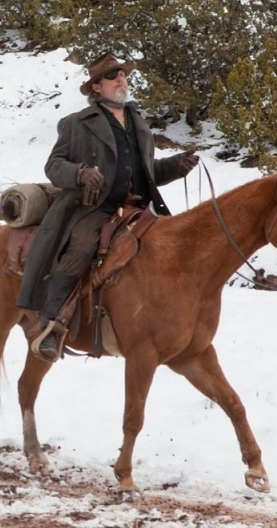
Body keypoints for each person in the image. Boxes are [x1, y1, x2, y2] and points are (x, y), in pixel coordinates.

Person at [19, 53, 200, 361]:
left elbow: (146, 171)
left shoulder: (137, 121)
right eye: (112, 76)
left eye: (123, 74)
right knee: (81, 249)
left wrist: (176, 165)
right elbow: (54, 166)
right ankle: (51, 324)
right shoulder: (76, 124)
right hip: (94, 208)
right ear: (96, 87)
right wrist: (80, 173)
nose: (121, 79)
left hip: (139, 208)